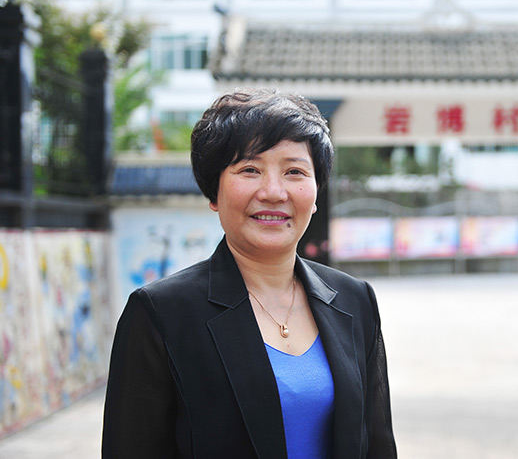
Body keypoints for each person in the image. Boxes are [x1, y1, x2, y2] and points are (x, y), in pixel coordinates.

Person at [102, 89, 397, 458]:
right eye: (249, 170)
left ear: (316, 192)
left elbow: (377, 445)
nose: (273, 192)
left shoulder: (354, 300)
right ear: (214, 192)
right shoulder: (161, 313)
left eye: (294, 172)